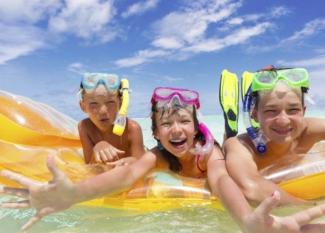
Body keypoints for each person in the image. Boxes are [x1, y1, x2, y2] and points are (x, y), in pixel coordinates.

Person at [1, 87, 325, 233]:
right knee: (128, 164)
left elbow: (223, 181)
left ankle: (233, 127)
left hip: (225, 156)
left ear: (195, 127)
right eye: (166, 124)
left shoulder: (207, 153)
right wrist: (74, 193)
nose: (176, 129)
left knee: (229, 153)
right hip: (152, 158)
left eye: (184, 121)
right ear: (156, 132)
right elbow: (126, 178)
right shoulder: (157, 155)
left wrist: (244, 221)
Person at [224, 66, 325, 205]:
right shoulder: (241, 145)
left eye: (293, 110)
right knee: (228, 141)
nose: (283, 120)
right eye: (271, 110)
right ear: (254, 114)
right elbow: (251, 189)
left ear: (304, 111)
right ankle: (229, 130)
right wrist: (310, 206)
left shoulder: (310, 130)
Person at [78, 73, 145, 164]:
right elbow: (90, 167)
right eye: (93, 103)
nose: (103, 111)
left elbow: (143, 165)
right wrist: (97, 149)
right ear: (82, 106)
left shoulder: (132, 129)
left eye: (110, 102)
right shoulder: (84, 127)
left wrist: (131, 161)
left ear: (121, 103)